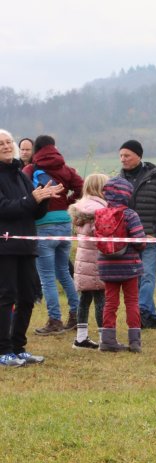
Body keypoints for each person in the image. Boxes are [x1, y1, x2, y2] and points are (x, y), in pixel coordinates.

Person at [0, 129, 58, 367]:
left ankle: (18, 347)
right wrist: (31, 199)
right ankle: (3, 350)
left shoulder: (20, 173)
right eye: (1, 144)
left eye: (8, 142)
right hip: (4, 247)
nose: (6, 146)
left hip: (26, 244)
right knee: (6, 297)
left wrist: (44, 199)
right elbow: (4, 208)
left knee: (27, 296)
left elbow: (33, 212)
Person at [24, 135, 83, 335]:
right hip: (65, 223)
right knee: (64, 272)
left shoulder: (30, 169)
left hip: (43, 225)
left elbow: (22, 193)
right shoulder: (66, 169)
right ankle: (77, 315)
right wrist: (68, 202)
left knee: (47, 277)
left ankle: (55, 320)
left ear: (36, 149)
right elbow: (81, 187)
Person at [118, 139, 156, 330]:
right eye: (121, 156)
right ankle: (152, 318)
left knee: (147, 276)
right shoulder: (119, 180)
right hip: (129, 238)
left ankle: (141, 311)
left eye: (127, 155)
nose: (123, 159)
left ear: (138, 156)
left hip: (151, 236)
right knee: (135, 278)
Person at [97, 177, 146, 353]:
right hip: (129, 266)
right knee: (132, 301)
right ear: (127, 195)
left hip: (107, 266)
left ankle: (108, 340)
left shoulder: (100, 214)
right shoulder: (130, 215)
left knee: (110, 302)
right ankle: (135, 341)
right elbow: (140, 241)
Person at [68, 173, 109, 350]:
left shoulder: (80, 207)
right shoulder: (100, 210)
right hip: (96, 260)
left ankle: (81, 338)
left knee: (84, 298)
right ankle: (104, 338)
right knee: (101, 298)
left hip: (83, 259)